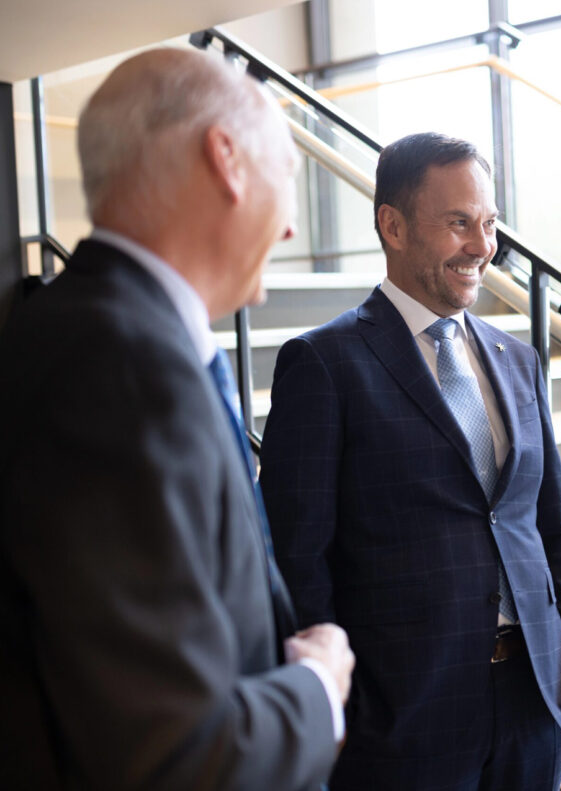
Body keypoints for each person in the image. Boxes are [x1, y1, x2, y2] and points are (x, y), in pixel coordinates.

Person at [0, 48, 355, 790]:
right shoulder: (119, 370)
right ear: (226, 159)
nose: (291, 229)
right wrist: (319, 686)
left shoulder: (93, 339)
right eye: (288, 175)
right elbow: (175, 754)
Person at [259, 132, 561, 790]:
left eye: (490, 223)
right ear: (393, 225)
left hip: (534, 703)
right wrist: (344, 709)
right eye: (459, 223)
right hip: (405, 725)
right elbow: (296, 561)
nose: (482, 246)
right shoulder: (324, 365)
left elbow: (553, 524)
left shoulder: (518, 359)